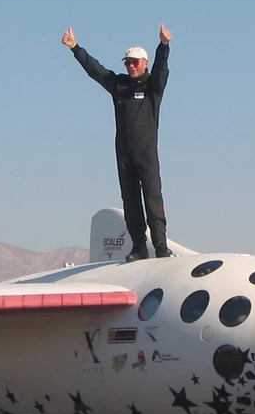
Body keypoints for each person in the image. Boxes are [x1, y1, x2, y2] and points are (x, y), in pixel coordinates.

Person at [62, 25, 172, 262]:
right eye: (127, 63)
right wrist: (75, 48)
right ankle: (139, 247)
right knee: (130, 201)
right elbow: (96, 71)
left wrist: (164, 47)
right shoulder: (119, 86)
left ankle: (161, 246)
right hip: (124, 154)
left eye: (134, 62)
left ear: (144, 63)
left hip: (146, 153)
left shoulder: (152, 87)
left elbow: (162, 71)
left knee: (152, 198)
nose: (131, 66)